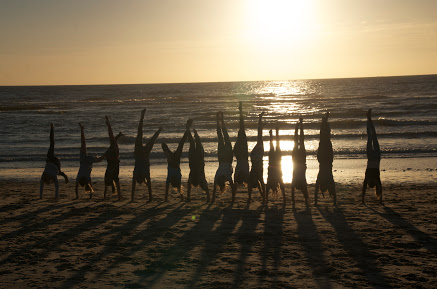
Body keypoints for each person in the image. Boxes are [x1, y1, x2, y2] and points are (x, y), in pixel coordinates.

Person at [131, 109, 163, 202]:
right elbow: (134, 186)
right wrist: (132, 198)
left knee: (152, 140)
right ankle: (142, 116)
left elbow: (149, 185)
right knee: (140, 132)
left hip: (144, 154)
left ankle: (159, 130)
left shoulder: (144, 174)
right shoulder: (137, 173)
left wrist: (150, 197)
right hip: (138, 153)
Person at [162, 119, 192, 201]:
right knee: (180, 143)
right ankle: (187, 127)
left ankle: (187, 127)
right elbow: (167, 188)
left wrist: (165, 199)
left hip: (173, 160)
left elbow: (168, 188)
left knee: (181, 143)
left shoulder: (176, 178)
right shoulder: (173, 178)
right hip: (172, 160)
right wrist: (165, 198)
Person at [75, 123, 105, 199]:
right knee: (83, 143)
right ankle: (82, 129)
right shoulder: (79, 178)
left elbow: (90, 187)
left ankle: (107, 154)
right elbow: (76, 188)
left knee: (100, 159)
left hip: (88, 161)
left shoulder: (88, 179)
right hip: (84, 160)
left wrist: (89, 196)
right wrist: (77, 196)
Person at [39, 124, 68, 199]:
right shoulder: (50, 176)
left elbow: (42, 185)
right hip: (54, 162)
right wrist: (65, 177)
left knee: (52, 143)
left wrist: (40, 196)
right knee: (52, 143)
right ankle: (52, 128)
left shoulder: (45, 175)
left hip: (53, 160)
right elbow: (57, 185)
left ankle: (52, 129)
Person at [315, 112, 336, 205]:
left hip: (326, 160)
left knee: (326, 139)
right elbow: (316, 189)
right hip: (324, 160)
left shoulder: (327, 179)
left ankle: (325, 122)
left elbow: (333, 189)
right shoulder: (325, 179)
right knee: (323, 139)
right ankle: (324, 122)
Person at [212, 111, 234, 203]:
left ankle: (219, 119)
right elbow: (233, 187)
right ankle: (220, 119)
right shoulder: (224, 177)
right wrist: (233, 199)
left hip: (224, 159)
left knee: (222, 137)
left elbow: (213, 190)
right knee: (223, 136)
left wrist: (212, 198)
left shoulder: (220, 177)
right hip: (226, 158)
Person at [362, 109, 382, 205]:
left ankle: (368, 117)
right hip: (377, 156)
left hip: (370, 156)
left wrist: (362, 200)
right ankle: (369, 118)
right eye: (371, 181)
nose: (370, 180)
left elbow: (363, 189)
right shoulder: (377, 178)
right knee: (373, 136)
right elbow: (380, 187)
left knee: (370, 136)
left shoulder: (367, 177)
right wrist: (381, 200)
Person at [187, 127, 210, 202]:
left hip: (198, 159)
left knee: (196, 143)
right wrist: (188, 197)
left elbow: (206, 188)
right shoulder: (198, 178)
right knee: (192, 143)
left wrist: (188, 198)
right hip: (194, 159)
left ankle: (193, 132)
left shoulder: (201, 178)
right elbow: (189, 187)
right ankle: (189, 130)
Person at [233, 102, 250, 202]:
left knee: (241, 128)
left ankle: (241, 110)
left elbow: (235, 182)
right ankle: (241, 110)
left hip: (242, 156)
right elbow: (235, 182)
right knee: (241, 127)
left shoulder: (243, 174)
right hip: (241, 156)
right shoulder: (244, 174)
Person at [103, 116, 123, 200]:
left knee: (112, 138)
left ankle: (106, 196)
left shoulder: (109, 152)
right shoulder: (110, 151)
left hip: (113, 162)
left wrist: (96, 159)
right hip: (114, 161)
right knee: (111, 137)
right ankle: (119, 197)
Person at [248, 112, 266, 203]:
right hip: (253, 156)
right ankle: (260, 121)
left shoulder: (258, 176)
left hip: (258, 157)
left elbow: (262, 185)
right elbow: (253, 186)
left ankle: (260, 119)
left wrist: (263, 195)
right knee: (259, 137)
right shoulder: (252, 177)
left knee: (260, 138)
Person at [265, 127, 286, 206]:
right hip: (273, 162)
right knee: (273, 146)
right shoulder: (272, 181)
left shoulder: (276, 180)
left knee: (276, 145)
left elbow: (282, 189)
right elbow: (267, 190)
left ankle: (276, 132)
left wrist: (284, 198)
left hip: (277, 162)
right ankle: (273, 133)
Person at [291, 118, 309, 207]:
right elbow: (292, 192)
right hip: (296, 161)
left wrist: (305, 197)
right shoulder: (297, 181)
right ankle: (298, 127)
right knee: (297, 142)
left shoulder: (302, 181)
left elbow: (304, 193)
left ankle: (299, 126)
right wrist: (293, 200)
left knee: (301, 141)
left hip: (300, 161)